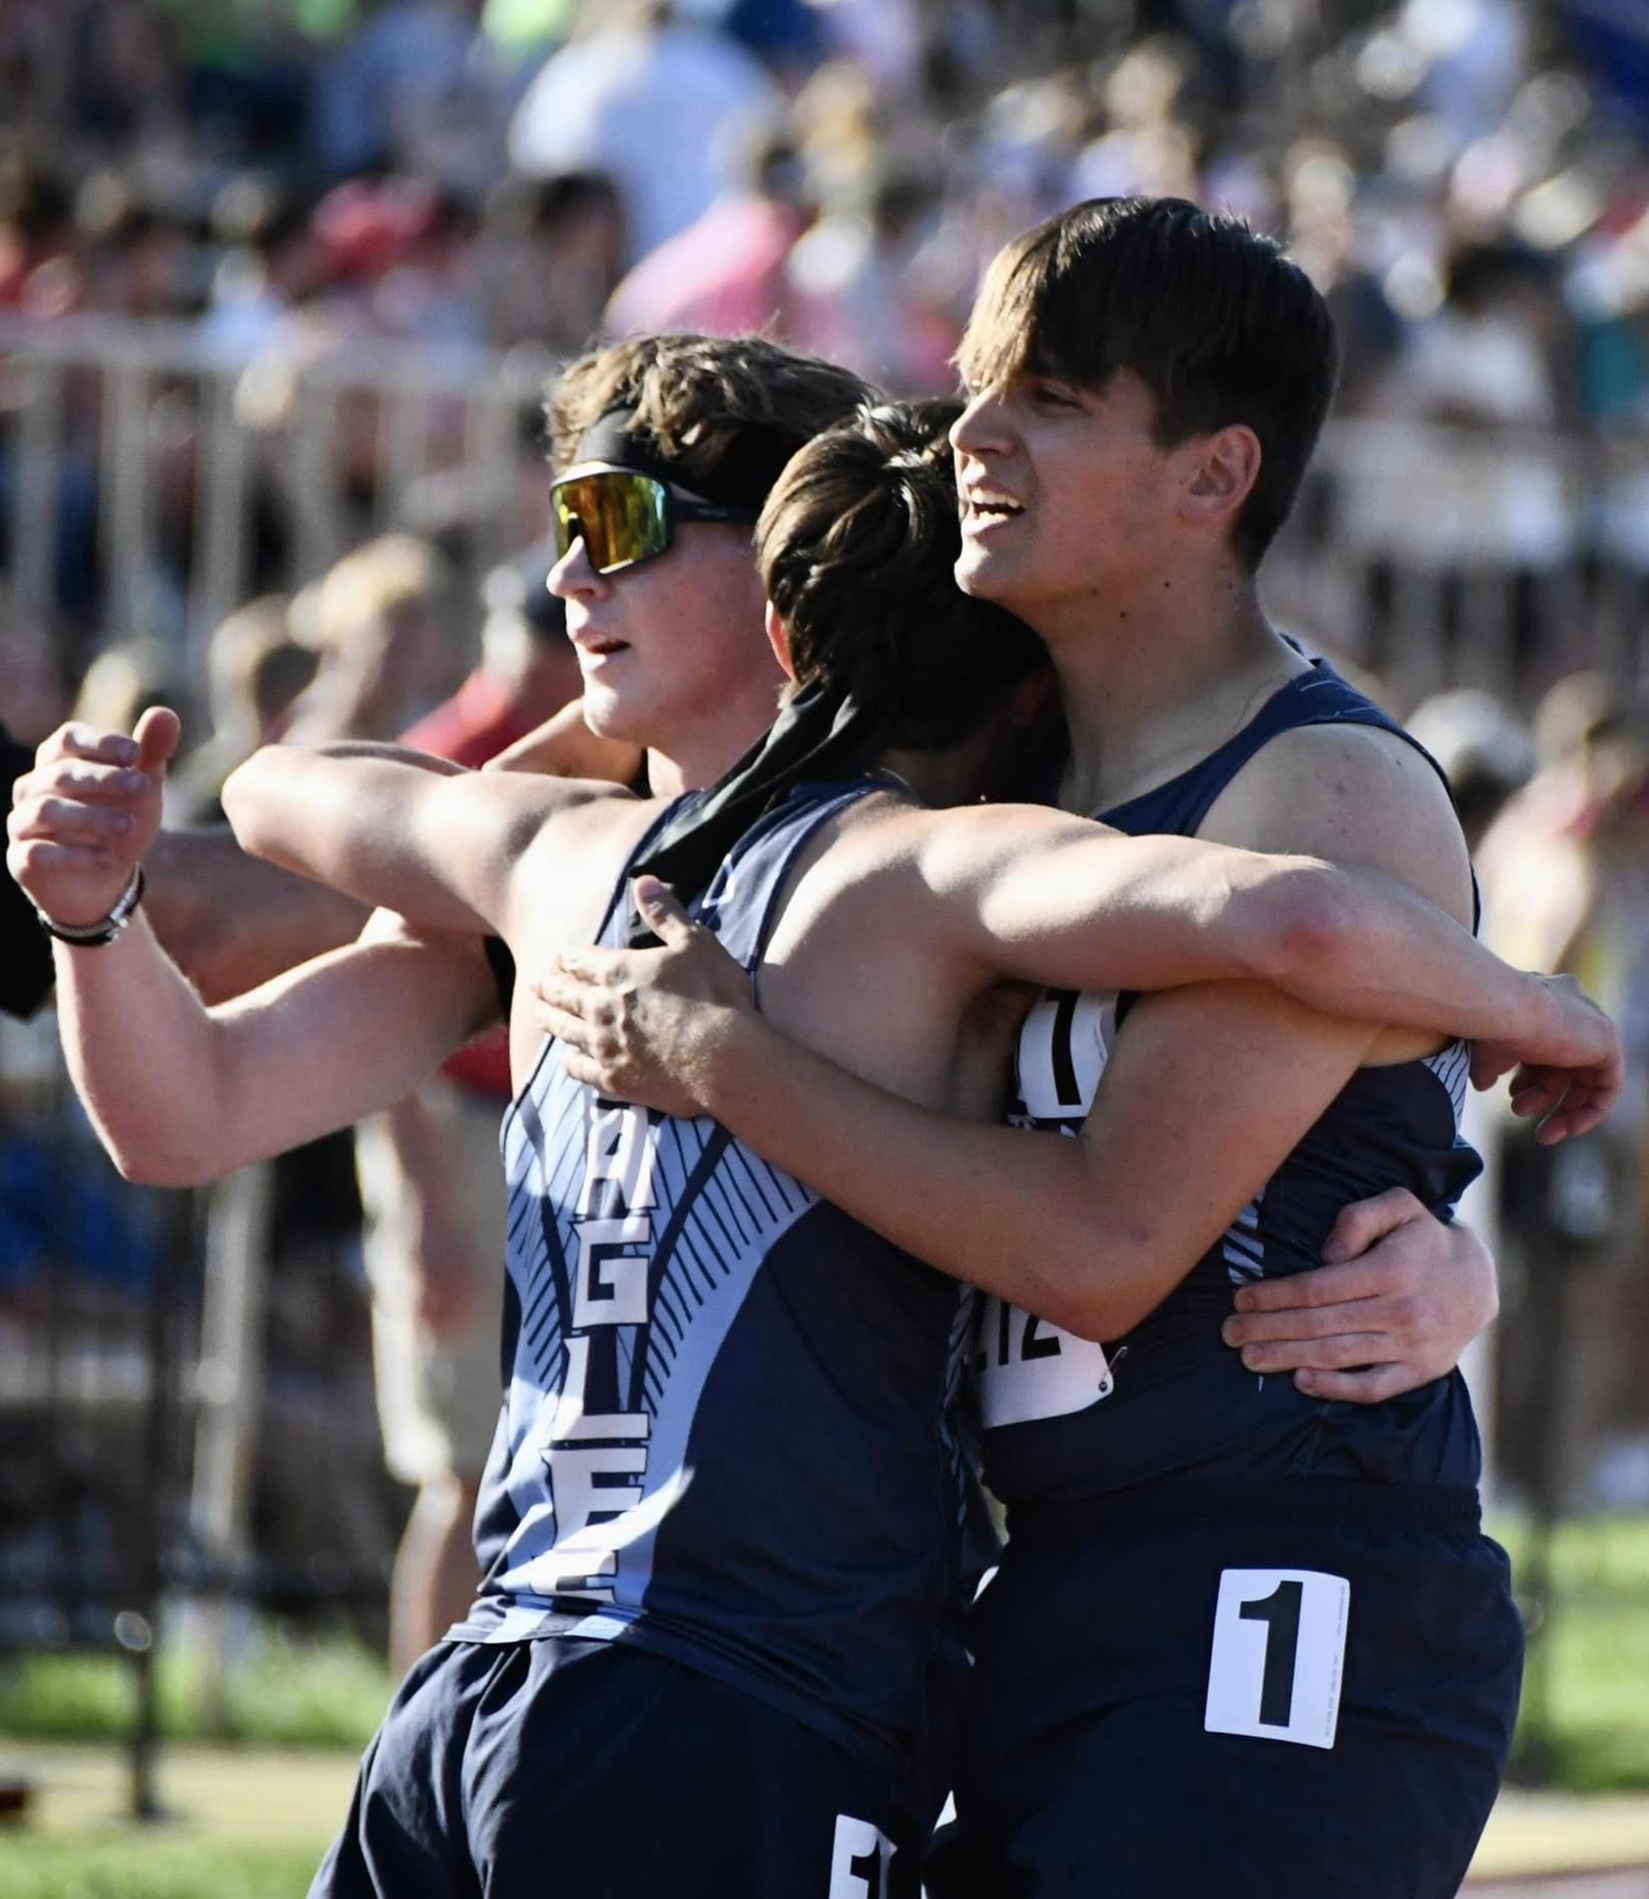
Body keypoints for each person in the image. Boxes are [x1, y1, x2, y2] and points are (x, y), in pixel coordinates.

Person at [11, 331, 1532, 1882]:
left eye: (612, 522)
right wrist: (1535, 1018)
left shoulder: (601, 864)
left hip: (643, 1696)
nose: (565, 583)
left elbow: (273, 807)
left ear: (784, 565)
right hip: (636, 1678)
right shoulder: (674, 866)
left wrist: (1447, 1238)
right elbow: (183, 1109)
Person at [532, 202, 1574, 1898]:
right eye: (973, 388)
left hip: (1271, 1587)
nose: (975, 438)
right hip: (1049, 1593)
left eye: (1052, 401)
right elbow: (502, 804)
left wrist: (731, 1061)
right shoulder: (989, 762)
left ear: (1214, 474)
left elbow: (1102, 1242)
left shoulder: (1319, 786)